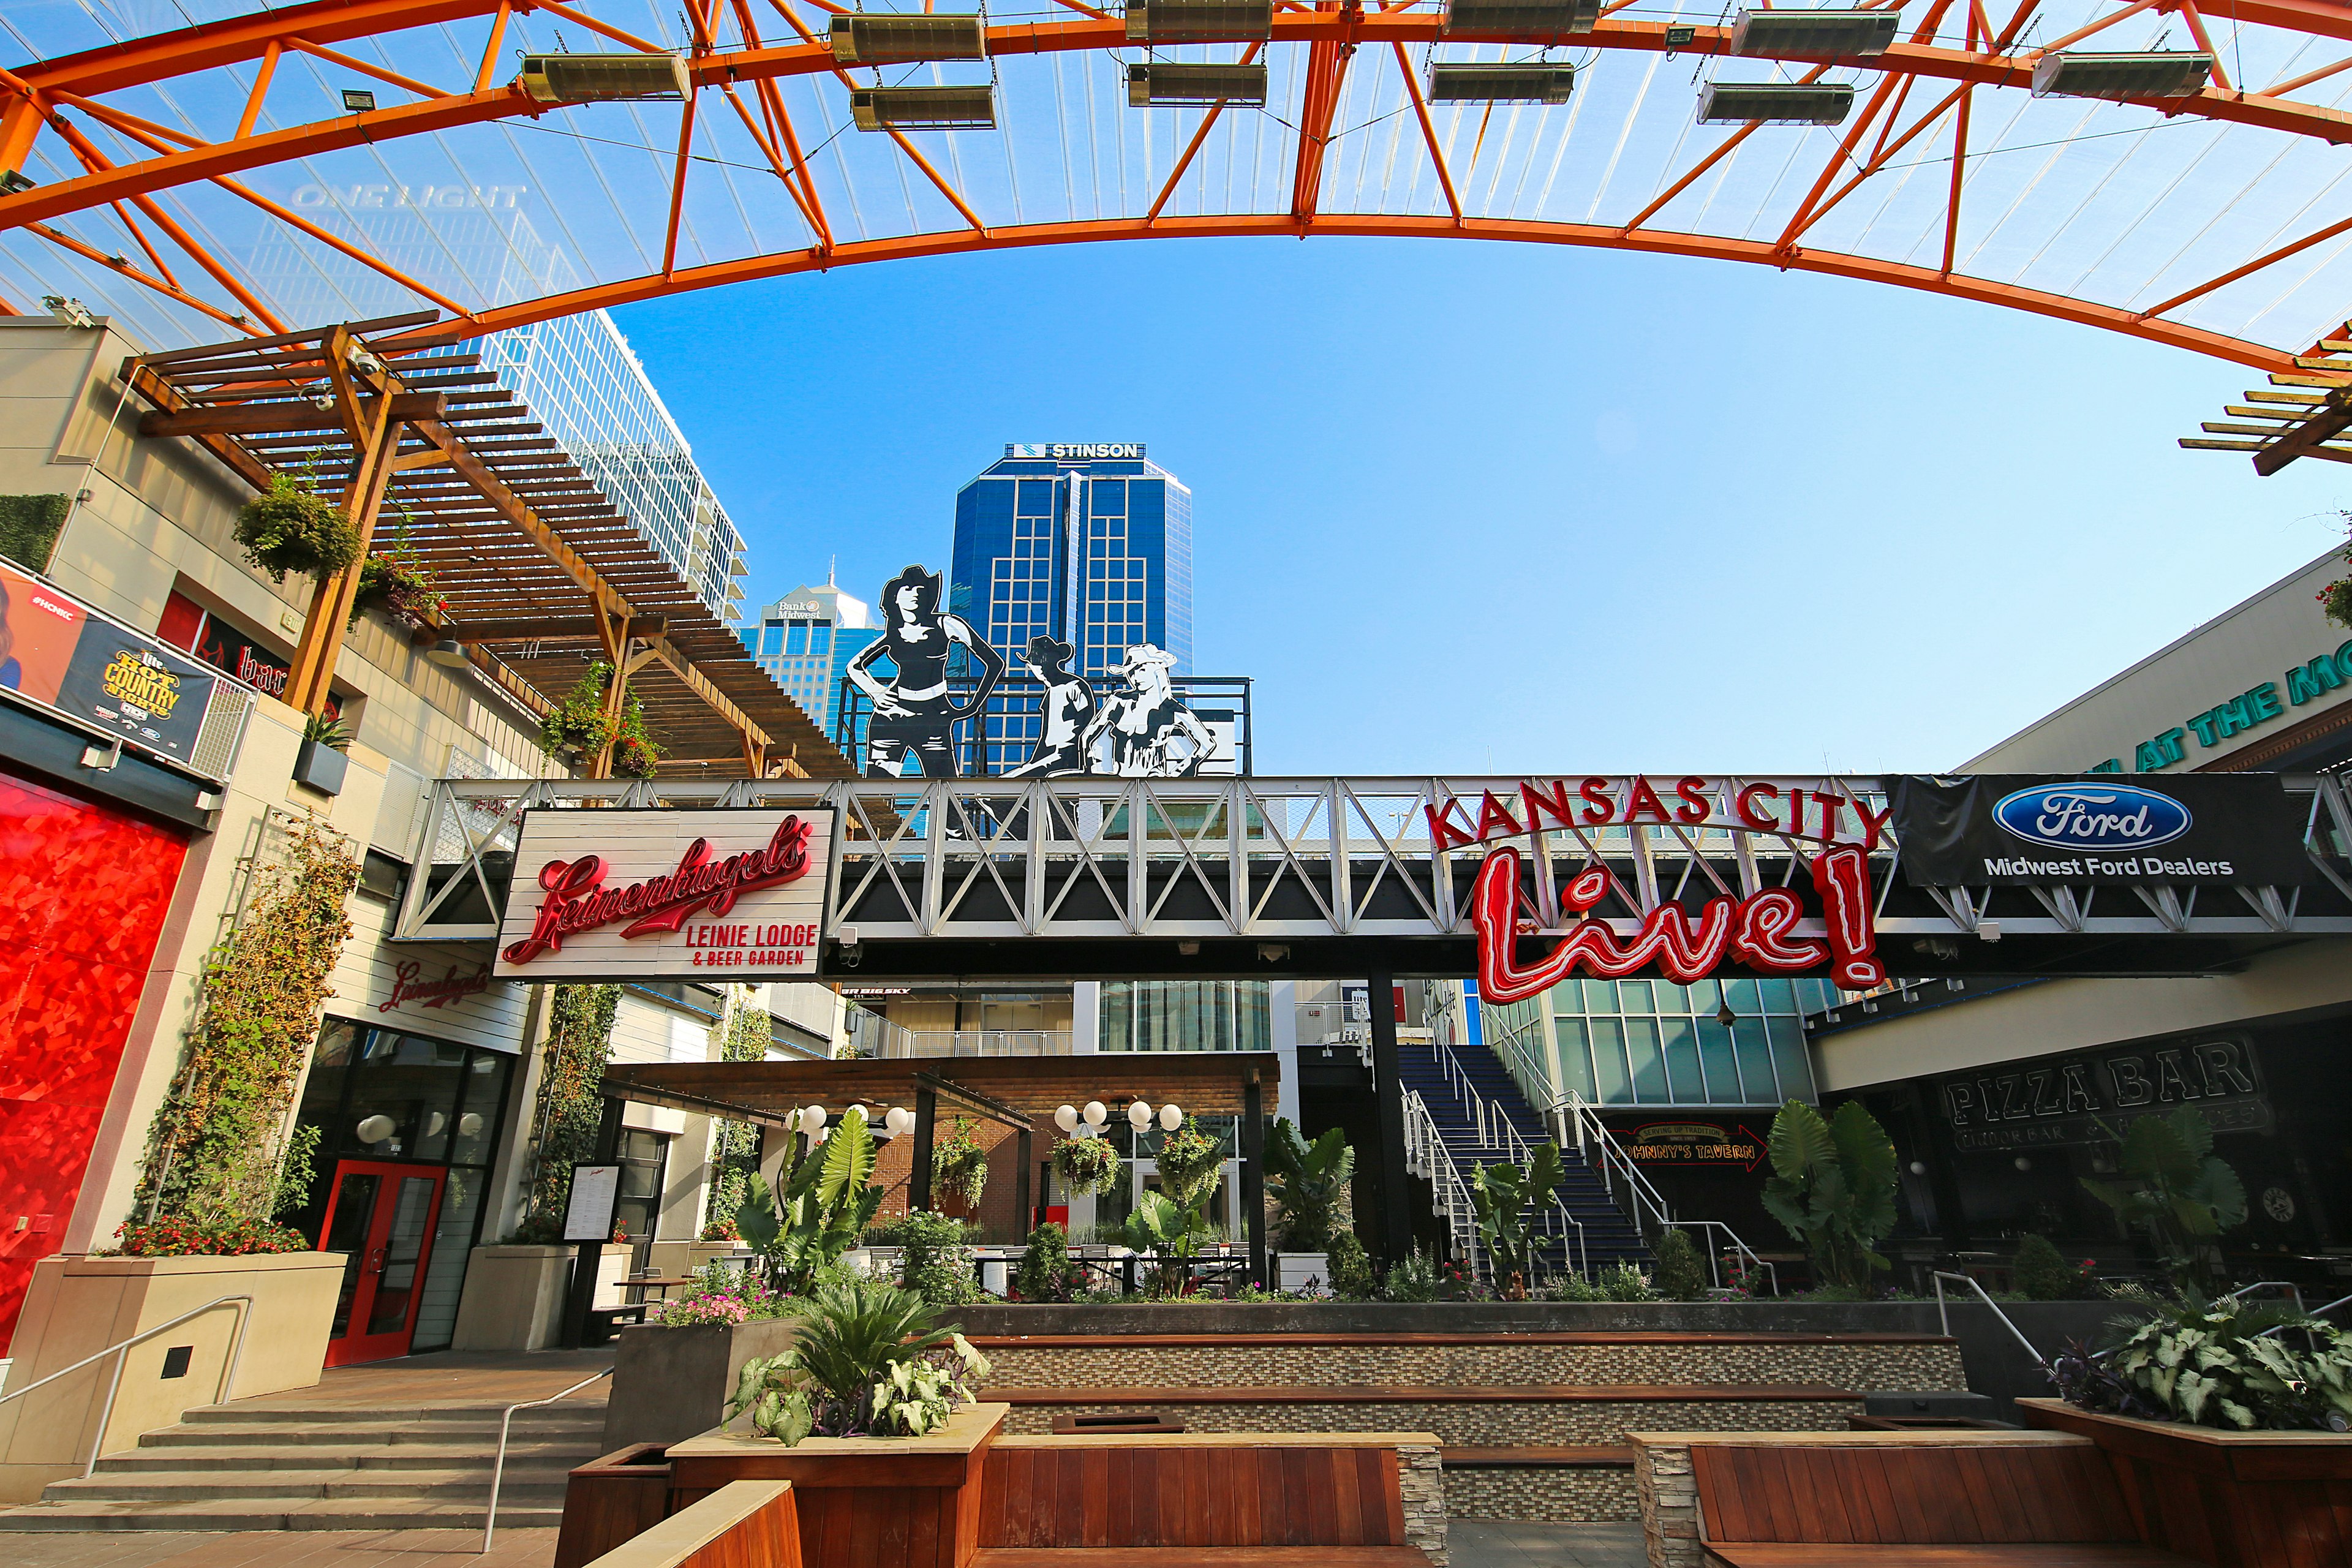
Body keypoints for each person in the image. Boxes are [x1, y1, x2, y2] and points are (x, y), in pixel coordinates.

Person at [844, 565, 1005, 778]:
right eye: (908, 588)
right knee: (877, 792)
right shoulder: (893, 634)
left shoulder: (946, 624)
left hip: (934, 715)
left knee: (946, 790)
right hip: (890, 717)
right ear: (895, 596)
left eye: (921, 589)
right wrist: (876, 691)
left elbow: (994, 663)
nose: (916, 593)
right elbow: (854, 666)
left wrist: (972, 706)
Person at [1083, 643, 1215, 777]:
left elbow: (1207, 744)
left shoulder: (1172, 709)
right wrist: (1091, 766)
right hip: (1119, 782)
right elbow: (1087, 736)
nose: (1135, 678)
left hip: (1155, 787)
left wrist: (1177, 774)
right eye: (1131, 672)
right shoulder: (1119, 701)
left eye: (1142, 670)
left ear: (1156, 670)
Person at [1003, 635, 1098, 778]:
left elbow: (1088, 724)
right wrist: (1033, 762)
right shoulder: (1051, 693)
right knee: (1004, 783)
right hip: (1050, 756)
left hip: (1068, 756)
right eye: (1036, 662)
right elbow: (1045, 736)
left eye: (1044, 660)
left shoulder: (1075, 686)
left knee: (1006, 787)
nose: (1040, 666)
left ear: (1055, 660)